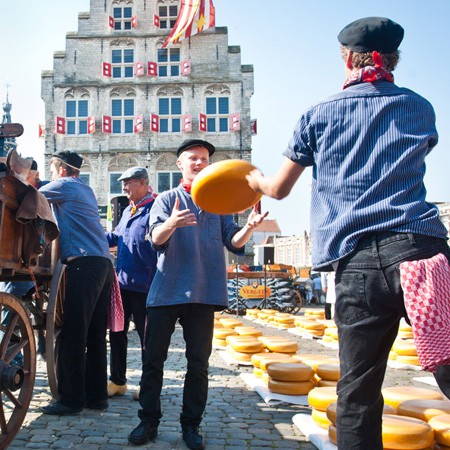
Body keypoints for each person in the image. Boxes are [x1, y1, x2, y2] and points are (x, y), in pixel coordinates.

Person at [246, 17, 450, 450]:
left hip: (357, 259)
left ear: (345, 57)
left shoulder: (319, 113)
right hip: (421, 250)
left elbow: (279, 189)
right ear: (395, 58)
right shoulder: (419, 106)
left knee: (358, 389)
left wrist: (254, 180)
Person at [128, 139, 268, 449]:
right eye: (193, 158)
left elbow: (233, 241)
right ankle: (148, 420)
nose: (199, 163)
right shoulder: (166, 199)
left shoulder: (219, 204)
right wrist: (172, 223)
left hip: (204, 293)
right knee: (153, 361)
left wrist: (251, 227)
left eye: (204, 158)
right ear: (180, 163)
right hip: (166, 291)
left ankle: (191, 426)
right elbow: (155, 238)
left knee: (198, 365)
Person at [40, 150, 114, 415]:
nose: (51, 175)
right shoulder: (86, 190)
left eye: (51, 170)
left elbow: (30, 195)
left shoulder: (64, 186)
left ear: (61, 170)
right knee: (95, 335)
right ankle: (96, 397)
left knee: (73, 333)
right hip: (103, 264)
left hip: (83, 263)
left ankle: (71, 400)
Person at [106, 167, 157, 400]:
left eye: (128, 183)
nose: (124, 188)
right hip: (122, 285)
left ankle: (148, 384)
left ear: (143, 183)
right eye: (123, 183)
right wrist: (95, 236)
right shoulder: (128, 210)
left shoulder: (156, 208)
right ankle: (117, 381)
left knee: (147, 340)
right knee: (117, 333)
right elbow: (117, 236)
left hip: (146, 288)